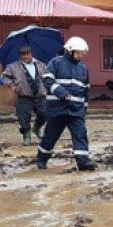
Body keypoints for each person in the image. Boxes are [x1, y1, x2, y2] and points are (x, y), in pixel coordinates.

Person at [37, 36, 96, 171]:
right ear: (70, 50)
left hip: (76, 111)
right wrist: (61, 92)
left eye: (83, 53)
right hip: (58, 110)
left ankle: (83, 162)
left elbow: (86, 90)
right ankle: (42, 158)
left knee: (80, 135)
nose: (81, 56)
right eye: (79, 53)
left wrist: (84, 109)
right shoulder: (55, 63)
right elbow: (47, 80)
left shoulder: (83, 68)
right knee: (50, 136)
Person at [0, 46, 48, 145]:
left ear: (31, 53)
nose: (26, 56)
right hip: (24, 96)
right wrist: (11, 85)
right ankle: (27, 135)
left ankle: (37, 128)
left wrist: (46, 79)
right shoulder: (13, 66)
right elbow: (4, 76)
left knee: (44, 114)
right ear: (20, 55)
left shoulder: (41, 65)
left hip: (40, 95)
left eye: (27, 53)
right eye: (23, 54)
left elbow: (49, 76)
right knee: (23, 118)